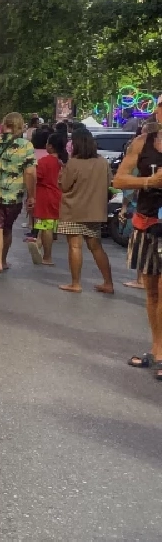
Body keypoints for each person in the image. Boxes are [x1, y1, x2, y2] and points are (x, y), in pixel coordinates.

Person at [111, 105, 162, 371]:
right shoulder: (142, 143)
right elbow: (118, 180)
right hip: (147, 224)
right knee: (152, 292)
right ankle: (157, 350)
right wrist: (149, 182)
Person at [55, 126, 114, 295]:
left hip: (73, 210)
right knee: (96, 247)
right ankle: (108, 282)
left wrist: (61, 174)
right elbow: (109, 183)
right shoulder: (102, 162)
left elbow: (64, 186)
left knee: (75, 246)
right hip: (95, 211)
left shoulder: (73, 163)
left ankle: (75, 283)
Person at [0, 112, 36, 278]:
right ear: (20, 126)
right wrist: (31, 196)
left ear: (4, 124)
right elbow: (30, 172)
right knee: (6, 228)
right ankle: (3, 261)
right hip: (14, 195)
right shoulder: (26, 146)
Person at [27, 132, 65, 266]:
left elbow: (36, 177)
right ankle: (38, 245)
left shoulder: (44, 161)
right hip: (57, 196)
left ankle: (47, 256)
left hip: (45, 197)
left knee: (46, 227)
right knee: (47, 226)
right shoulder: (62, 162)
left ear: (51, 146)